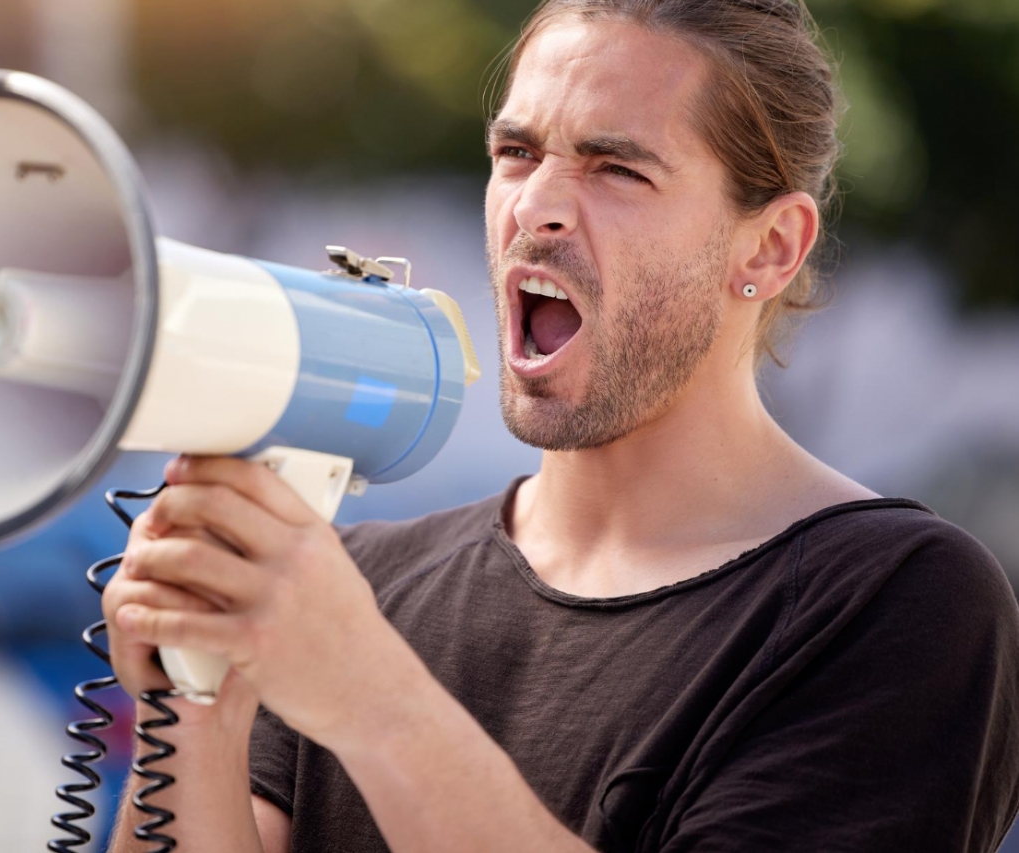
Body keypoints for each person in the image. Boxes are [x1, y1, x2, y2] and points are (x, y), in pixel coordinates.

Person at [101, 1, 1019, 850]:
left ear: (770, 247)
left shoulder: (895, 603)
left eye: (616, 168)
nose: (535, 204)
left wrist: (370, 696)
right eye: (516, 152)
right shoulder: (364, 583)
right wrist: (194, 703)